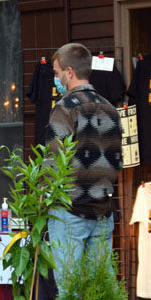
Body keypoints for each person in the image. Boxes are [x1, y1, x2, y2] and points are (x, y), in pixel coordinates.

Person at [45, 42, 122, 286]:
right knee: (101, 291)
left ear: (69, 72)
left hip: (69, 210)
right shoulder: (111, 109)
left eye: (57, 73)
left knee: (70, 291)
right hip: (102, 210)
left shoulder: (65, 108)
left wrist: (43, 198)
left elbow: (54, 161)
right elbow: (117, 160)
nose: (56, 79)